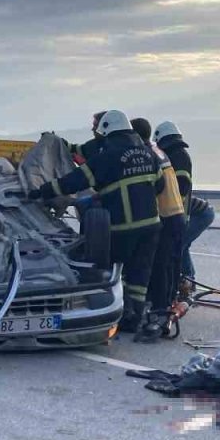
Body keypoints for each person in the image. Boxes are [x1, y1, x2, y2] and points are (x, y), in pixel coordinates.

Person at [28, 110, 162, 332]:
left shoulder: (108, 155)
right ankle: (135, 318)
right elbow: (160, 186)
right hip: (152, 225)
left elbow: (75, 181)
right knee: (140, 274)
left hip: (123, 227)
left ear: (107, 131)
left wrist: (43, 190)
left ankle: (113, 314)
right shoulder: (148, 154)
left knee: (112, 271)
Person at [131, 118, 186, 342]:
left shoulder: (146, 154)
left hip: (164, 215)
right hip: (176, 214)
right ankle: (164, 306)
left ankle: (160, 311)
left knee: (159, 266)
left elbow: (155, 185)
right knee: (169, 265)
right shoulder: (157, 150)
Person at [153, 121, 216, 293]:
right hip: (194, 212)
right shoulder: (176, 154)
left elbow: (181, 186)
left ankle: (187, 281)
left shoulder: (178, 156)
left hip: (199, 214)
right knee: (181, 244)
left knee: (177, 245)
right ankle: (187, 280)